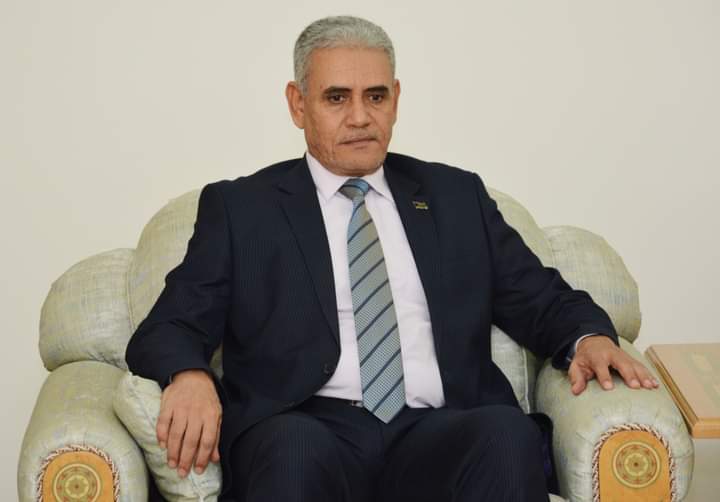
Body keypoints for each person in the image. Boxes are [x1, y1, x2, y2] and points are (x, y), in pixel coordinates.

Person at [126, 15, 658, 502]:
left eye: (375, 96)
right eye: (337, 98)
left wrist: (589, 338)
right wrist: (188, 375)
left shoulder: (455, 197)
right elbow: (169, 325)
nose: (360, 117)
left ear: (396, 99)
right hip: (306, 429)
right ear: (297, 104)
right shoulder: (243, 210)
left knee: (505, 433)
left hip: (436, 429)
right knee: (294, 448)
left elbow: (540, 297)